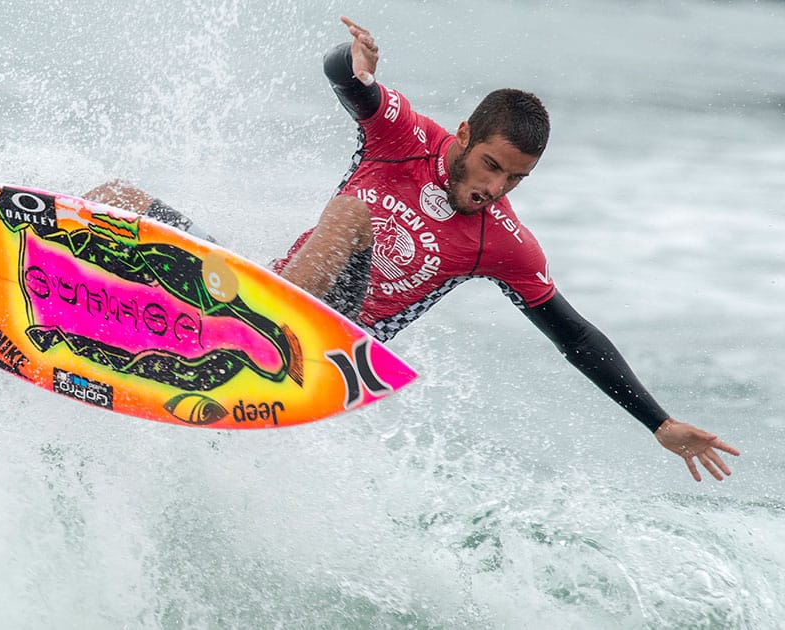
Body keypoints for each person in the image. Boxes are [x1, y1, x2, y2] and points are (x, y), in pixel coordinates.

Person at [86, 16, 740, 482]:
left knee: (349, 214)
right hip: (266, 293)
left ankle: (259, 332)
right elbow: (343, 77)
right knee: (115, 197)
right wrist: (357, 61)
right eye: (489, 165)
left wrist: (656, 422)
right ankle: (81, 303)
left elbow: (573, 334)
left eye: (514, 179)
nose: (494, 187)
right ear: (463, 135)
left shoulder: (503, 243)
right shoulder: (404, 137)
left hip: (327, 348)